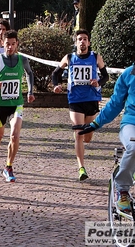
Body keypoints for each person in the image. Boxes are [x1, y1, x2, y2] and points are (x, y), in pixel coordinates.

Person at [75, 32, 135, 211]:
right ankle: (122, 190)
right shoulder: (129, 74)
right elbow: (115, 103)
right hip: (132, 123)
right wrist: (95, 123)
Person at [52, 29, 109, 181]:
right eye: (79, 39)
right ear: (76, 42)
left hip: (91, 99)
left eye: (85, 39)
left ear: (88, 42)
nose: (82, 42)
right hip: (75, 100)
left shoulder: (96, 57)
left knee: (88, 137)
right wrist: (56, 85)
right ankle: (81, 168)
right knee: (79, 133)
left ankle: (84, 143)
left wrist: (99, 82)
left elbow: (106, 76)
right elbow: (55, 73)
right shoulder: (69, 58)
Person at [0, 30, 35, 182]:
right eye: (7, 44)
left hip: (16, 103)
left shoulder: (22, 59)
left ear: (17, 44)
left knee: (15, 135)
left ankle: (9, 166)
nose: (10, 47)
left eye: (13, 44)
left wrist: (30, 91)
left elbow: (29, 73)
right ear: (2, 43)